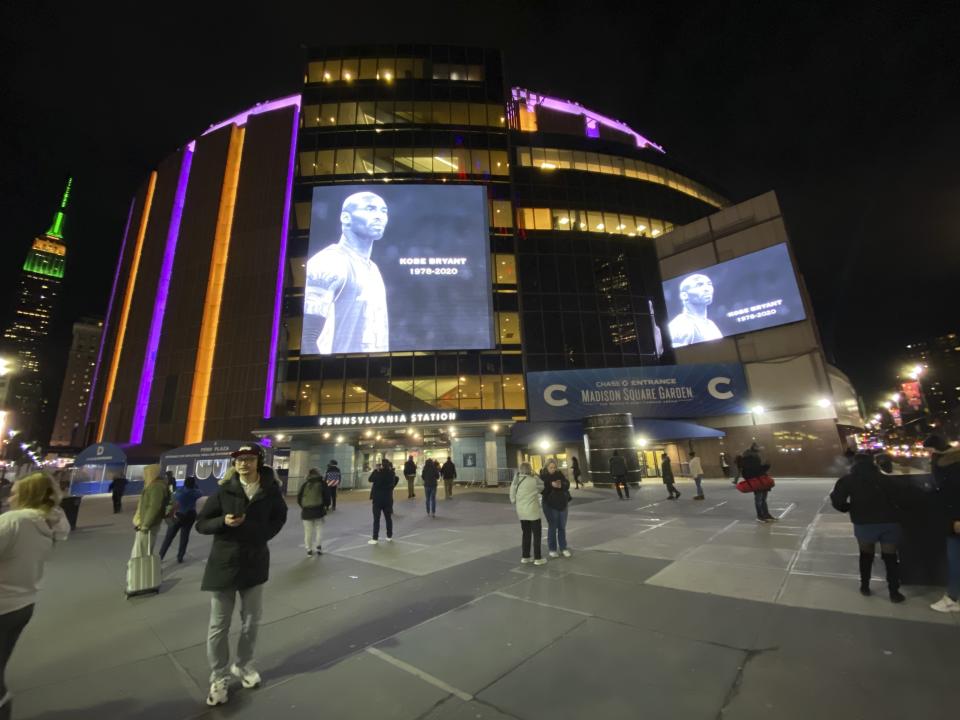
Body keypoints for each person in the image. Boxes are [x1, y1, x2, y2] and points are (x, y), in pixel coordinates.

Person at [196, 444, 287, 707]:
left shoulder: (270, 491)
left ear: (258, 461)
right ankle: (219, 676)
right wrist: (222, 522)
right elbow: (201, 523)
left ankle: (244, 665)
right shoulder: (224, 490)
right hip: (223, 564)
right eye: (238, 459)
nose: (242, 464)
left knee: (251, 622)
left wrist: (263, 534)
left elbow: (280, 517)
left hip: (255, 563)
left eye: (248, 459)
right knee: (218, 625)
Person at [0, 473, 70, 719]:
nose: (11, 496)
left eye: (15, 491)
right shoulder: (49, 523)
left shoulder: (13, 522)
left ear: (28, 494)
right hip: (23, 603)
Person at [302, 192, 389, 354]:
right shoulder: (330, 261)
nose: (379, 216)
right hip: (338, 373)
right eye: (370, 209)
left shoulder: (374, 268)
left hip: (371, 372)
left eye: (383, 211)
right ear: (346, 218)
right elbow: (307, 336)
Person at [830, 453, 905, 603]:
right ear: (873, 463)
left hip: (864, 523)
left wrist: (849, 508)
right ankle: (894, 592)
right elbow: (902, 497)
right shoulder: (885, 479)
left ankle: (865, 587)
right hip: (889, 522)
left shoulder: (848, 480)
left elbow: (837, 500)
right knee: (890, 557)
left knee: (866, 555)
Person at [923, 435, 960, 613]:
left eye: (928, 451)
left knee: (955, 560)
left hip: (955, 520)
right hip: (953, 518)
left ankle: (953, 598)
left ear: (934, 450)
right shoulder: (952, 461)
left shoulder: (948, 466)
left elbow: (952, 494)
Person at [667, 273, 723, 347]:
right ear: (684, 295)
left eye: (709, 284)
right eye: (699, 285)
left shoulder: (711, 324)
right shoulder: (680, 325)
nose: (707, 289)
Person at [158, 476, 203, 563]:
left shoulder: (179, 492)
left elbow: (174, 497)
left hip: (178, 515)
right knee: (184, 537)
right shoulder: (195, 493)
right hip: (190, 516)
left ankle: (161, 556)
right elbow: (201, 492)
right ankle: (180, 557)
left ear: (184, 483)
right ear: (193, 484)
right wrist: (195, 486)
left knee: (169, 537)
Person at [510, 462, 546, 565]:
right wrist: (535, 475)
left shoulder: (516, 480)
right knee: (537, 535)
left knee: (526, 534)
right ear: (530, 469)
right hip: (533, 512)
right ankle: (538, 558)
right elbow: (542, 486)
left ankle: (525, 556)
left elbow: (512, 497)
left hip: (522, 513)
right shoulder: (533, 480)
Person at [132, 465, 170, 556]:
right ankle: (140, 569)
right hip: (144, 524)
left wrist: (145, 525)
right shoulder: (151, 485)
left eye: (146, 473)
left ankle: (142, 570)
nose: (144, 476)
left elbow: (154, 507)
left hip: (148, 526)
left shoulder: (156, 487)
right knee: (142, 551)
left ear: (152, 473)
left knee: (142, 553)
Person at [540, 459, 572, 558]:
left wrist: (561, 484)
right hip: (549, 504)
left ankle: (563, 548)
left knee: (562, 526)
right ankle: (552, 549)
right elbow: (542, 490)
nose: (553, 469)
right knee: (553, 526)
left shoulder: (559, 474)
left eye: (554, 467)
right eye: (551, 468)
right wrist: (550, 485)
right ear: (546, 467)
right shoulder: (542, 476)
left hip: (562, 503)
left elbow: (567, 484)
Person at [297, 468, 330, 556]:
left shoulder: (305, 484)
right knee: (319, 529)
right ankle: (318, 547)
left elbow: (299, 497)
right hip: (318, 510)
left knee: (308, 532)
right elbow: (327, 496)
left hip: (306, 511)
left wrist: (303, 506)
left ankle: (309, 550)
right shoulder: (322, 483)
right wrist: (326, 506)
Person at [368, 458, 399, 544]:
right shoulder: (392, 474)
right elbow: (396, 480)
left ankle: (375, 538)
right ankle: (389, 536)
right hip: (388, 499)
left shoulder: (378, 473)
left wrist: (376, 470)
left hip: (377, 499)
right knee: (388, 518)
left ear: (381, 465)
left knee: (376, 519)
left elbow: (370, 479)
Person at [742, 443, 774, 522]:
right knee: (759, 499)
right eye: (758, 448)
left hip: (760, 480)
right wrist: (766, 466)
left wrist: (765, 466)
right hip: (757, 481)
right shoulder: (750, 458)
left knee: (762, 499)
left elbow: (757, 469)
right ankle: (760, 516)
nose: (760, 450)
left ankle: (766, 515)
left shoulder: (753, 457)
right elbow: (755, 470)